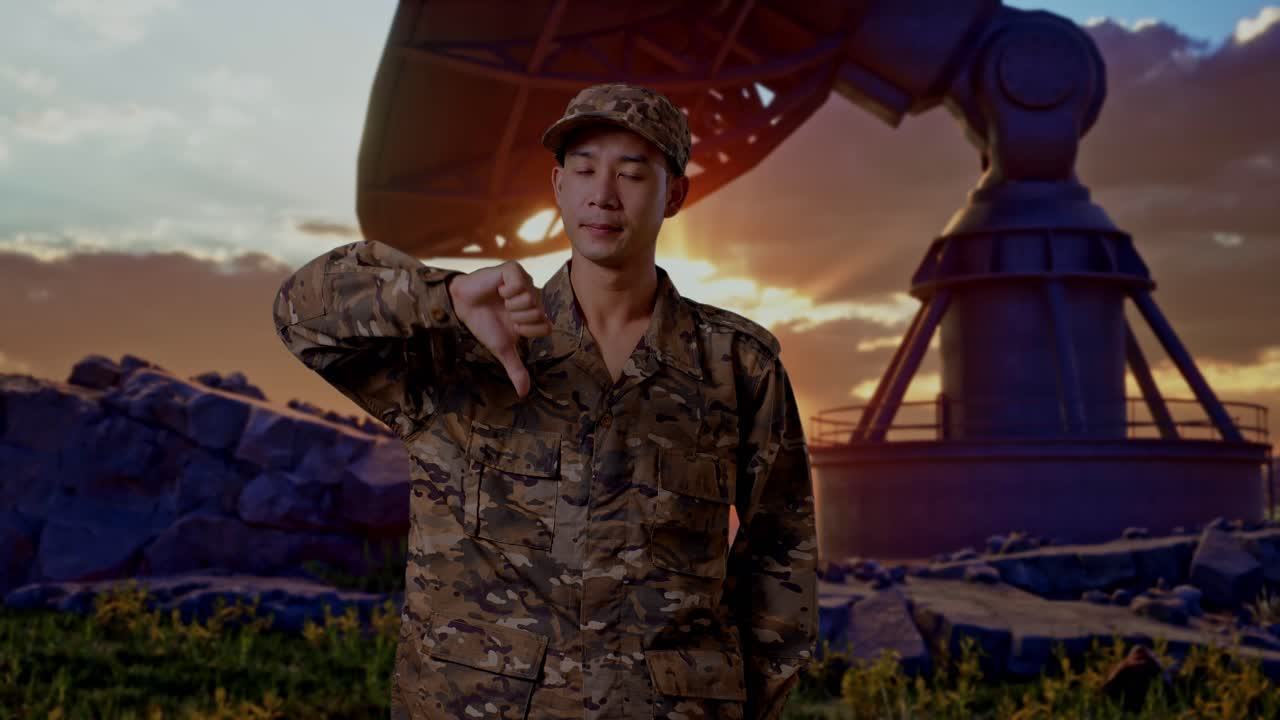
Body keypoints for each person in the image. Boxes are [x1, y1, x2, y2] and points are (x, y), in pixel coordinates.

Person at [272, 82, 816, 720]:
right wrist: (442, 297)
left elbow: (783, 559)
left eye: (633, 174)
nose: (603, 194)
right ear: (558, 186)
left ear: (676, 194)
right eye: (584, 170)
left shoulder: (736, 366)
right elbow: (300, 312)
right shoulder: (467, 341)